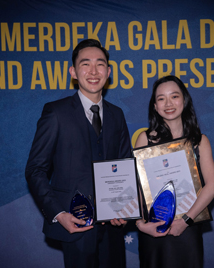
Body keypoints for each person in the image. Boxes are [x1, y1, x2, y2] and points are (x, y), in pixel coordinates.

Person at [25, 39, 132, 268]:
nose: (93, 71)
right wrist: (58, 213)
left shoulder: (117, 114)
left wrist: (124, 205)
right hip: (74, 224)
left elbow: (126, 164)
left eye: (100, 64)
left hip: (113, 226)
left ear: (109, 71)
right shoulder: (56, 112)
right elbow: (35, 169)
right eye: (86, 64)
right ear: (73, 72)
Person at [134, 75, 214, 268]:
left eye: (174, 96)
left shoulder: (199, 141)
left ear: (184, 100)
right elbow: (138, 187)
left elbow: (213, 186)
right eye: (161, 98)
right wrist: (140, 223)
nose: (168, 103)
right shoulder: (145, 139)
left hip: (187, 229)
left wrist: (186, 220)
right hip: (154, 229)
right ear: (155, 106)